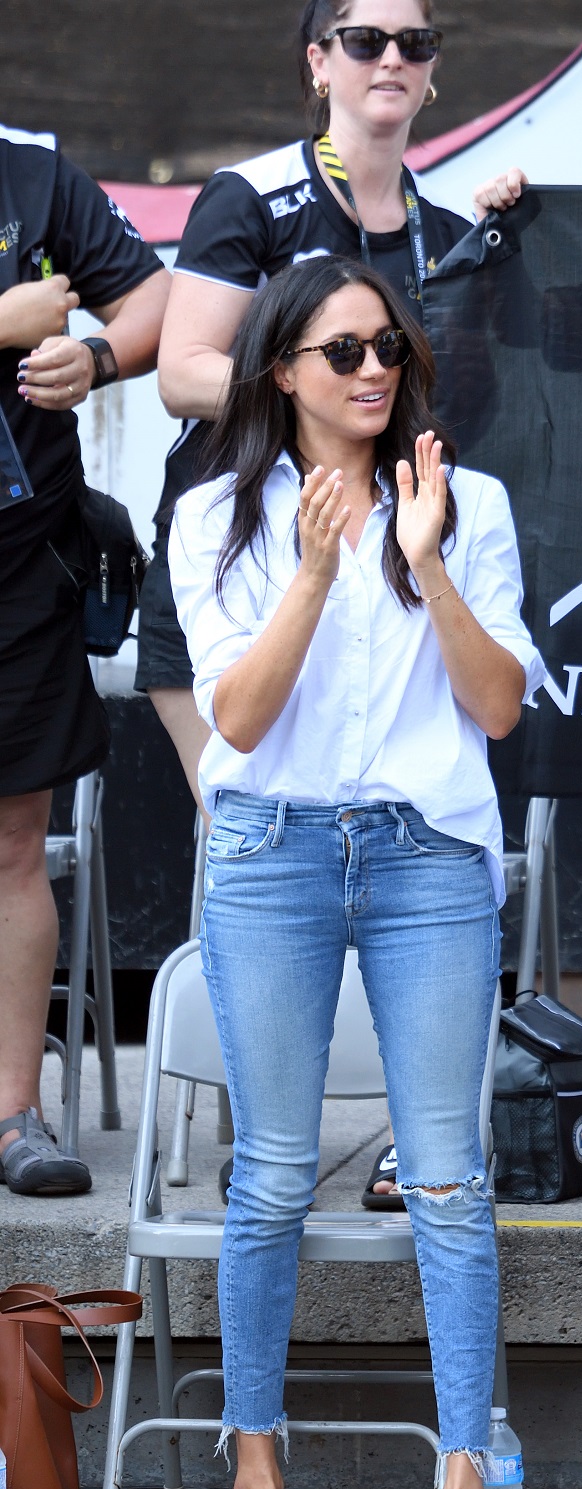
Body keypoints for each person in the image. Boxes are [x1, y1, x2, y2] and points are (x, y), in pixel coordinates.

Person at [169, 253, 544, 1489]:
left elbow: (498, 707)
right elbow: (239, 716)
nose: (376, 369)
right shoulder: (216, 514)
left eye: (390, 348)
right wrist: (319, 571)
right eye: (345, 352)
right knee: (273, 1167)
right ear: (284, 370)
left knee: (447, 1169)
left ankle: (461, 1463)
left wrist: (423, 561)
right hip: (272, 847)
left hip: (426, 851)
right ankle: (256, 1453)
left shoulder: (469, 504)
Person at [138, 0, 526, 1202]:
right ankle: (250, 1151)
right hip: (244, 545)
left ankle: (418, 1140)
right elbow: (181, 369)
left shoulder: (454, 221)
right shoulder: (253, 195)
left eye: (417, 42)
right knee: (248, 831)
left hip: (399, 561)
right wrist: (311, 413)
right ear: (319, 64)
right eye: (366, 39)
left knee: (398, 845)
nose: (394, 60)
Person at [0, 127, 169, 1197]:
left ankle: (14, 1115)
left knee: (17, 846)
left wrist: (99, 356)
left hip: (21, 564)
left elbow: (156, 304)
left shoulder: (30, 172)